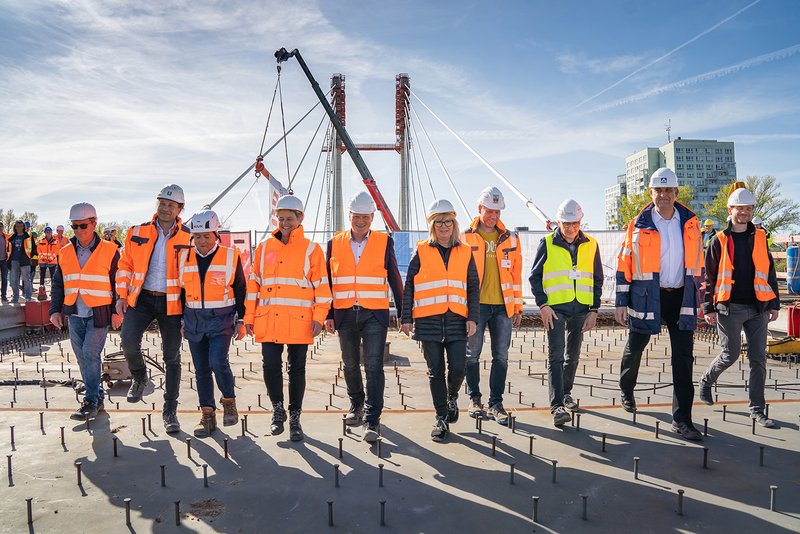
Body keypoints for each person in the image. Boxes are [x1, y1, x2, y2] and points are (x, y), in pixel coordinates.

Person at [615, 167, 704, 441]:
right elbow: (624, 264)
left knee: (683, 358)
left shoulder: (691, 223)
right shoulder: (638, 224)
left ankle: (682, 419)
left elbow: (699, 265)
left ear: (676, 192)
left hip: (681, 298)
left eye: (668, 190)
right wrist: (621, 302)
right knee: (635, 347)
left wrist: (702, 299)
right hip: (647, 297)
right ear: (651, 193)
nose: (663, 195)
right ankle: (626, 388)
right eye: (658, 190)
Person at [244, 194, 331, 442]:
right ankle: (278, 410)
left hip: (299, 321)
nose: (284, 223)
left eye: (289, 219)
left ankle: (295, 417)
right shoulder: (264, 248)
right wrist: (248, 317)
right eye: (280, 219)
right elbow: (253, 285)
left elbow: (322, 287)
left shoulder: (311, 250)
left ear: (300, 218)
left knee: (296, 369)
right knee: (270, 366)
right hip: (268, 319)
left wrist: (319, 318)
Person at [324, 191, 404, 443]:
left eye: (365, 217)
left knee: (373, 366)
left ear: (372, 218)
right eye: (356, 217)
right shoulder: (334, 243)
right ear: (349, 216)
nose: (360, 221)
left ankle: (372, 418)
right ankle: (356, 404)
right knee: (349, 364)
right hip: (345, 313)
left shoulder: (384, 242)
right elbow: (328, 282)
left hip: (374, 314)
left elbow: (394, 278)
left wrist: (403, 313)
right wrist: (328, 313)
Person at [698, 188, 780, 428]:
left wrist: (774, 303)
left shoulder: (760, 237)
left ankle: (757, 409)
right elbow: (709, 277)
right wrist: (708, 308)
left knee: (758, 359)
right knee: (730, 355)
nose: (744, 212)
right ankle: (706, 381)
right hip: (729, 307)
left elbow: (769, 273)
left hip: (758, 308)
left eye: (748, 208)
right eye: (739, 208)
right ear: (730, 210)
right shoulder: (718, 240)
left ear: (751, 210)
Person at [401, 199, 479, 442]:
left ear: (454, 224)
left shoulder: (465, 251)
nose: (443, 226)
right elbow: (409, 285)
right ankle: (441, 418)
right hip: (428, 321)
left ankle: (452, 396)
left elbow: (473, 287)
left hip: (457, 320)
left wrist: (473, 317)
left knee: (458, 367)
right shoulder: (421, 250)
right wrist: (406, 317)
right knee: (435, 372)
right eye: (439, 222)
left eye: (448, 222)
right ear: (432, 226)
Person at [116, 184, 192, 433]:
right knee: (128, 341)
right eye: (162, 203)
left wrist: (189, 311)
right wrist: (122, 295)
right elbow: (125, 265)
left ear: (180, 209)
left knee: (172, 357)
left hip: (172, 302)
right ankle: (139, 377)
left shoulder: (189, 237)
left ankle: (170, 410)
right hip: (142, 299)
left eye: (171, 205)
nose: (165, 208)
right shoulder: (137, 231)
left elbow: (192, 275)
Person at [530, 199, 603, 427]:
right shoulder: (547, 243)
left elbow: (597, 278)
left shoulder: (591, 244)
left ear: (581, 221)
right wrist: (543, 305)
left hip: (581, 308)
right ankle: (557, 406)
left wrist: (594, 309)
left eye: (575, 224)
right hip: (556, 309)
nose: (571, 228)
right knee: (556, 356)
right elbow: (534, 277)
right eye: (566, 224)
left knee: (573, 355)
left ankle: (566, 392)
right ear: (559, 222)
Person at [178, 210, 247, 437]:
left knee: (218, 362)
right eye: (198, 237)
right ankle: (207, 415)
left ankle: (229, 401)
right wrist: (181, 320)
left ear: (216, 234)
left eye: (207, 236)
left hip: (221, 319)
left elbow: (240, 289)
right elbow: (181, 292)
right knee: (201, 370)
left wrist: (242, 319)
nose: (202, 241)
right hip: (194, 320)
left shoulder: (230, 256)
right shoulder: (184, 257)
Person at [49, 203, 120, 421]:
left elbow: (118, 283)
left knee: (90, 352)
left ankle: (90, 402)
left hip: (98, 312)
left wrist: (117, 311)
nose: (79, 231)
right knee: (82, 357)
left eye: (83, 226)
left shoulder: (110, 250)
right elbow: (58, 284)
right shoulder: (65, 252)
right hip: (74, 313)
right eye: (75, 226)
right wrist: (55, 311)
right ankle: (97, 397)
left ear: (94, 223)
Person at [462, 186, 523, 425]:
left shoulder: (511, 238)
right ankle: (474, 399)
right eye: (489, 211)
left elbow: (516, 276)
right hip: (475, 307)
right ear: (480, 209)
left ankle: (496, 403)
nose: (493, 216)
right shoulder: (465, 237)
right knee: (472, 355)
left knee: (501, 357)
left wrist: (517, 306)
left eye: (497, 212)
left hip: (502, 307)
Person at [8, 220, 35, 303]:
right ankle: (15, 298)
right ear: (15, 227)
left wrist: (29, 257)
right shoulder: (12, 237)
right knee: (14, 280)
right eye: (17, 226)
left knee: (26, 280)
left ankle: (28, 297)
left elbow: (34, 248)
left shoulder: (28, 236)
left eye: (20, 226)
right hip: (14, 261)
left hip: (25, 261)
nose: (19, 228)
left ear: (23, 227)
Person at [37, 227, 60, 291]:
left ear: (52, 232)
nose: (48, 233)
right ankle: (41, 291)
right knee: (42, 277)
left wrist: (50, 259)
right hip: (42, 262)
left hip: (52, 262)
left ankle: (53, 291)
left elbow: (56, 251)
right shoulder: (40, 241)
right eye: (47, 232)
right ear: (45, 233)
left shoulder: (56, 241)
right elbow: (38, 250)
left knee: (53, 277)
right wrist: (43, 258)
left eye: (50, 232)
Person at [0, 222, 8, 302]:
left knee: (4, 279)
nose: (0, 227)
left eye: (1, 226)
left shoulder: (6, 236)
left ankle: (4, 295)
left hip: (4, 261)